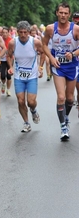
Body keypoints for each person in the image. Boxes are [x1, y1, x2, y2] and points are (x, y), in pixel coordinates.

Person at [42, 2, 79, 140]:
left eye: (65, 13)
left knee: (70, 99)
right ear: (57, 13)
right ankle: (63, 126)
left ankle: (66, 116)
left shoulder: (75, 29)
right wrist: (51, 58)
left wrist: (74, 54)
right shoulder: (51, 29)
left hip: (72, 66)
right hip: (58, 67)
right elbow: (44, 44)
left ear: (69, 14)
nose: (63, 15)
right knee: (61, 97)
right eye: (60, 12)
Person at [7, 21, 45, 133]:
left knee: (31, 102)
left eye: (25, 32)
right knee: (20, 101)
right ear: (17, 32)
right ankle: (26, 123)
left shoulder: (35, 42)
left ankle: (33, 111)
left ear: (29, 32)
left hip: (32, 76)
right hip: (19, 76)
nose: (23, 35)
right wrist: (10, 67)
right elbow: (9, 56)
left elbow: (43, 53)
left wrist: (41, 67)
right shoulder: (13, 43)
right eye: (20, 32)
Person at [0, 26, 13, 96]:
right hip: (2, 60)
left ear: (8, 33)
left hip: (10, 59)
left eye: (6, 32)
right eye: (3, 32)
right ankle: (3, 84)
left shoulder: (11, 41)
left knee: (9, 75)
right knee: (2, 75)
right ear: (1, 33)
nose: (4, 34)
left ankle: (8, 90)